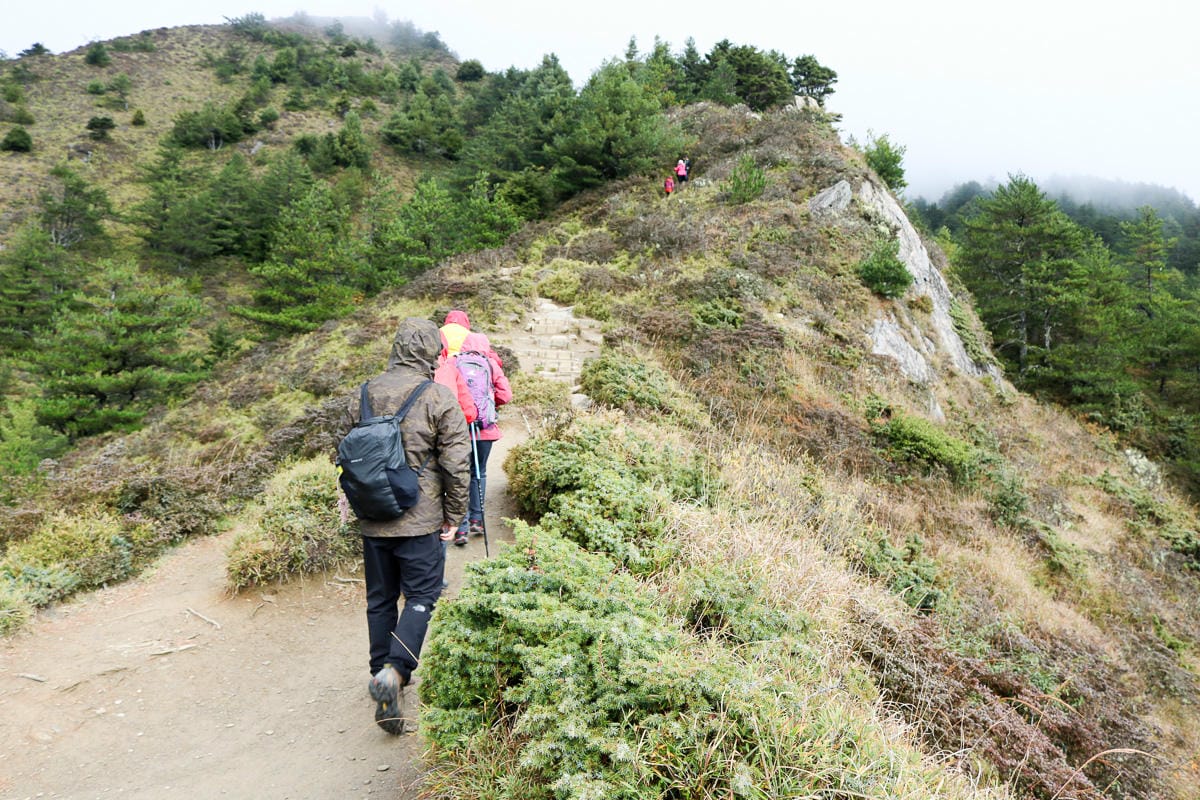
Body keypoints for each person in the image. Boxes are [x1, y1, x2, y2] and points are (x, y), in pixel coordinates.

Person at [336, 317, 470, 735]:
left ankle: (379, 672)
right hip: (420, 519)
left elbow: (342, 452)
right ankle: (395, 672)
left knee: (380, 600)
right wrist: (455, 513)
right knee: (422, 597)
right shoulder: (438, 397)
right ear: (431, 352)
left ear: (395, 348)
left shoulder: (362, 394)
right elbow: (456, 463)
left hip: (373, 519)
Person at [453, 332, 512, 546]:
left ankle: (461, 529)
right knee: (480, 472)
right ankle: (477, 519)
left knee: (459, 476)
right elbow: (506, 395)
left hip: (458, 431)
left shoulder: (454, 363)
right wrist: (490, 404)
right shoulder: (490, 364)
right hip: (484, 430)